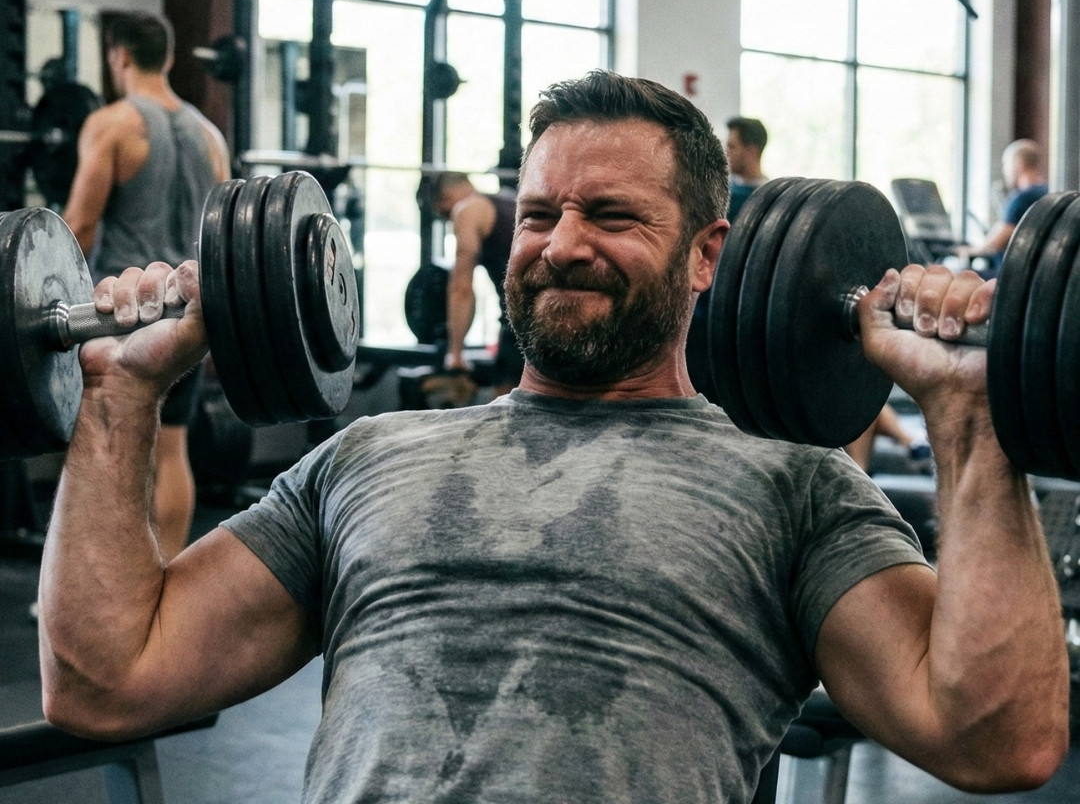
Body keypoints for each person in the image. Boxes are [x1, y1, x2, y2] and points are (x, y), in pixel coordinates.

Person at [40, 71, 1067, 802]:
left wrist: (970, 421)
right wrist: (118, 399)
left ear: (708, 253)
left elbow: (998, 739)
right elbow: (108, 679)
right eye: (538, 215)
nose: (561, 246)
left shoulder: (792, 489)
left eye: (611, 216)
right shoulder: (367, 458)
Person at [62, 11, 229, 561]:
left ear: (120, 56)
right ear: (171, 57)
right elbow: (222, 235)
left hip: (121, 317)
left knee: (107, 448)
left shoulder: (111, 123)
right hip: (189, 313)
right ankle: (165, 577)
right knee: (172, 447)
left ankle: (101, 589)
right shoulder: (211, 136)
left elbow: (78, 226)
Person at [424, 170, 524, 391]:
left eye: (445, 214)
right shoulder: (508, 199)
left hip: (524, 322)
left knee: (508, 416)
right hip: (542, 315)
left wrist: (456, 353)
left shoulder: (467, 210)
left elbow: (461, 288)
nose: (450, 218)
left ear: (447, 197)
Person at [957, 138, 1048, 275]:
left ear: (1019, 163)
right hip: (1036, 275)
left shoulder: (1022, 198)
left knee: (958, 274)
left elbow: (995, 244)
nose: (1005, 170)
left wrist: (969, 251)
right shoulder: (1048, 191)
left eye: (1006, 164)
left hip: (1010, 278)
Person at [725, 115, 768, 223]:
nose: (725, 152)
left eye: (732, 147)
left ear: (751, 151)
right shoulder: (723, 190)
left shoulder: (768, 199)